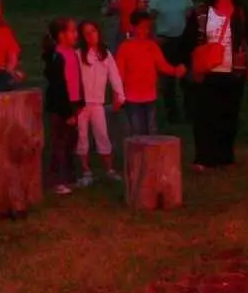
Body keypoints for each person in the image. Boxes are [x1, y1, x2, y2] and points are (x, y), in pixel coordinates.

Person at [182, 0, 248, 171]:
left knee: (228, 115)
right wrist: (184, 63)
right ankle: (203, 158)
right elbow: (188, 38)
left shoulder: (241, 12)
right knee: (204, 115)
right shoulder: (202, 12)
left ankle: (225, 157)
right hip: (207, 70)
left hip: (233, 71)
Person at [115, 10, 186, 136]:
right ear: (133, 27)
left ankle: (151, 156)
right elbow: (119, 73)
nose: (145, 31)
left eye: (147, 28)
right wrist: (118, 94)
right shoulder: (125, 47)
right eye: (141, 28)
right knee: (137, 132)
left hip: (150, 97)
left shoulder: (152, 46)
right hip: (132, 98)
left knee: (152, 131)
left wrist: (176, 70)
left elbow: (162, 65)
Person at [76, 20, 125, 186]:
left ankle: (109, 169)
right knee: (82, 137)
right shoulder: (79, 54)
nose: (91, 35)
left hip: (97, 103)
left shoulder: (105, 54)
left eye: (93, 31)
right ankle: (86, 171)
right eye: (87, 33)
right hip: (81, 104)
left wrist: (120, 95)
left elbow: (114, 75)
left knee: (102, 135)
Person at [43, 17, 83, 196]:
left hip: (72, 103)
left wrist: (80, 101)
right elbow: (58, 86)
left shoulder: (72, 53)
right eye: (72, 31)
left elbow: (76, 78)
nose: (76, 35)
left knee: (70, 142)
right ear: (61, 35)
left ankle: (68, 176)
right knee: (60, 143)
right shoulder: (57, 56)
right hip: (60, 107)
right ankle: (56, 180)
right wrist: (67, 111)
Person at [148, 0, 193, 123]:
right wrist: (154, 38)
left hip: (182, 42)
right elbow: (149, 22)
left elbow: (191, 19)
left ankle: (189, 113)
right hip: (165, 42)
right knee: (167, 81)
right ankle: (172, 115)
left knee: (187, 78)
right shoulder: (155, 1)